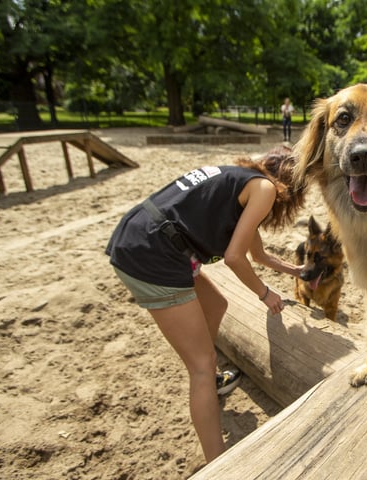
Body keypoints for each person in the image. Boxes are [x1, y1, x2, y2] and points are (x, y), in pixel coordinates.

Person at [105, 146, 305, 463]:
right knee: (200, 363)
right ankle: (217, 463)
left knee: (216, 306)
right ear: (292, 188)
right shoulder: (265, 190)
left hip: (145, 234)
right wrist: (265, 294)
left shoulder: (242, 180)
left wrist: (297, 271)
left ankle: (211, 382)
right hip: (151, 253)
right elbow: (234, 258)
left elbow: (259, 255)